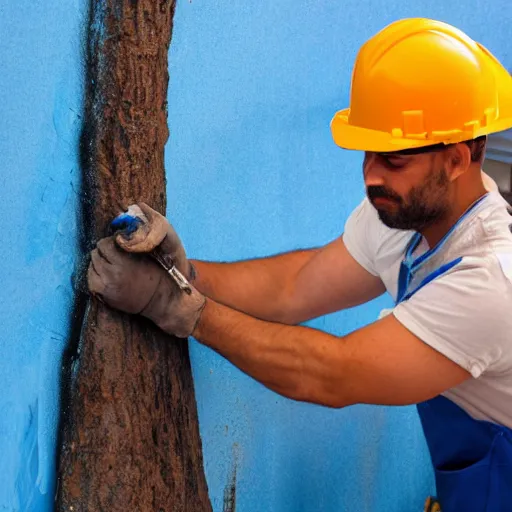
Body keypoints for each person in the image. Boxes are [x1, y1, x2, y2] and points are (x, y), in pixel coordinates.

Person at [87, 18, 512, 512]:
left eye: (392, 160)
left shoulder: (490, 283)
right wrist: (184, 272)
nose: (371, 176)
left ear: (456, 159)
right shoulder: (407, 214)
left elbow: (333, 374)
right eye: (367, 152)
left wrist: (177, 308)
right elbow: (294, 287)